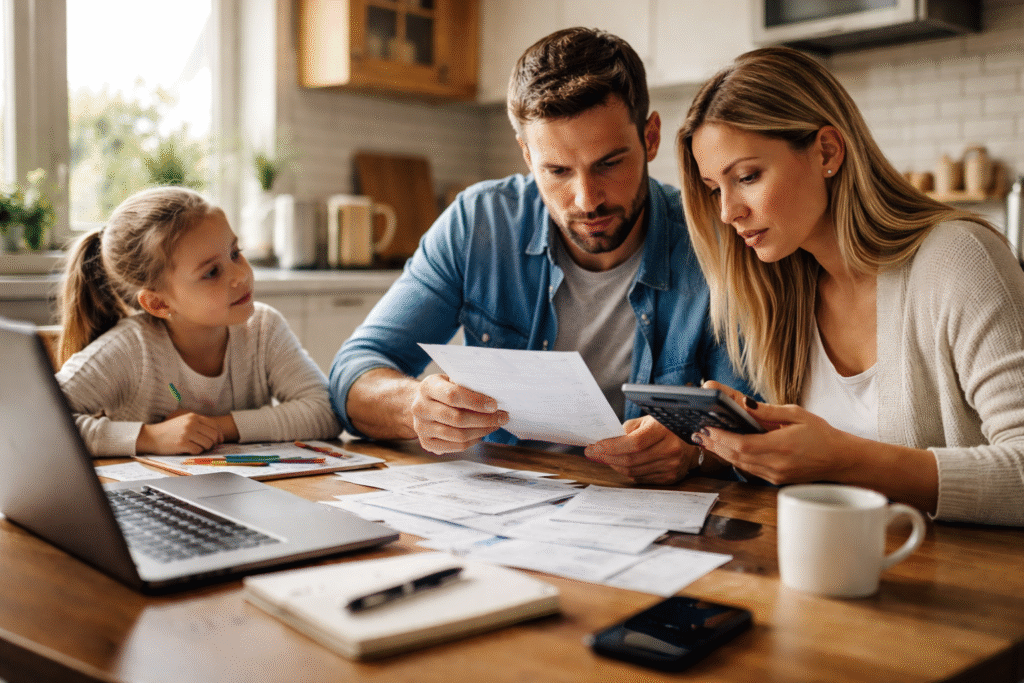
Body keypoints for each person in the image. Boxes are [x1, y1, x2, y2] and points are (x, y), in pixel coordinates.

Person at [330, 27, 752, 485]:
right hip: (506, 504)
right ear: (527, 156)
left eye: (609, 163)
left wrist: (695, 455)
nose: (587, 199)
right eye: (557, 171)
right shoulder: (479, 222)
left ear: (650, 138)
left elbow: (751, 419)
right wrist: (415, 406)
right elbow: (352, 374)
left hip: (655, 513)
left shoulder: (716, 239)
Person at [676, 46, 1024, 525]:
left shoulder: (958, 258)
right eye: (717, 188)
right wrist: (727, 444)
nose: (727, 212)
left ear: (827, 151)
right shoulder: (784, 290)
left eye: (748, 177)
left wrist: (843, 458)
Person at [56, 186, 340, 456]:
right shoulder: (131, 348)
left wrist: (216, 427)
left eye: (234, 253)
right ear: (159, 303)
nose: (240, 275)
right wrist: (150, 438)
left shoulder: (263, 329)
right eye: (212, 272)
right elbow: (35, 421)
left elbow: (325, 411)